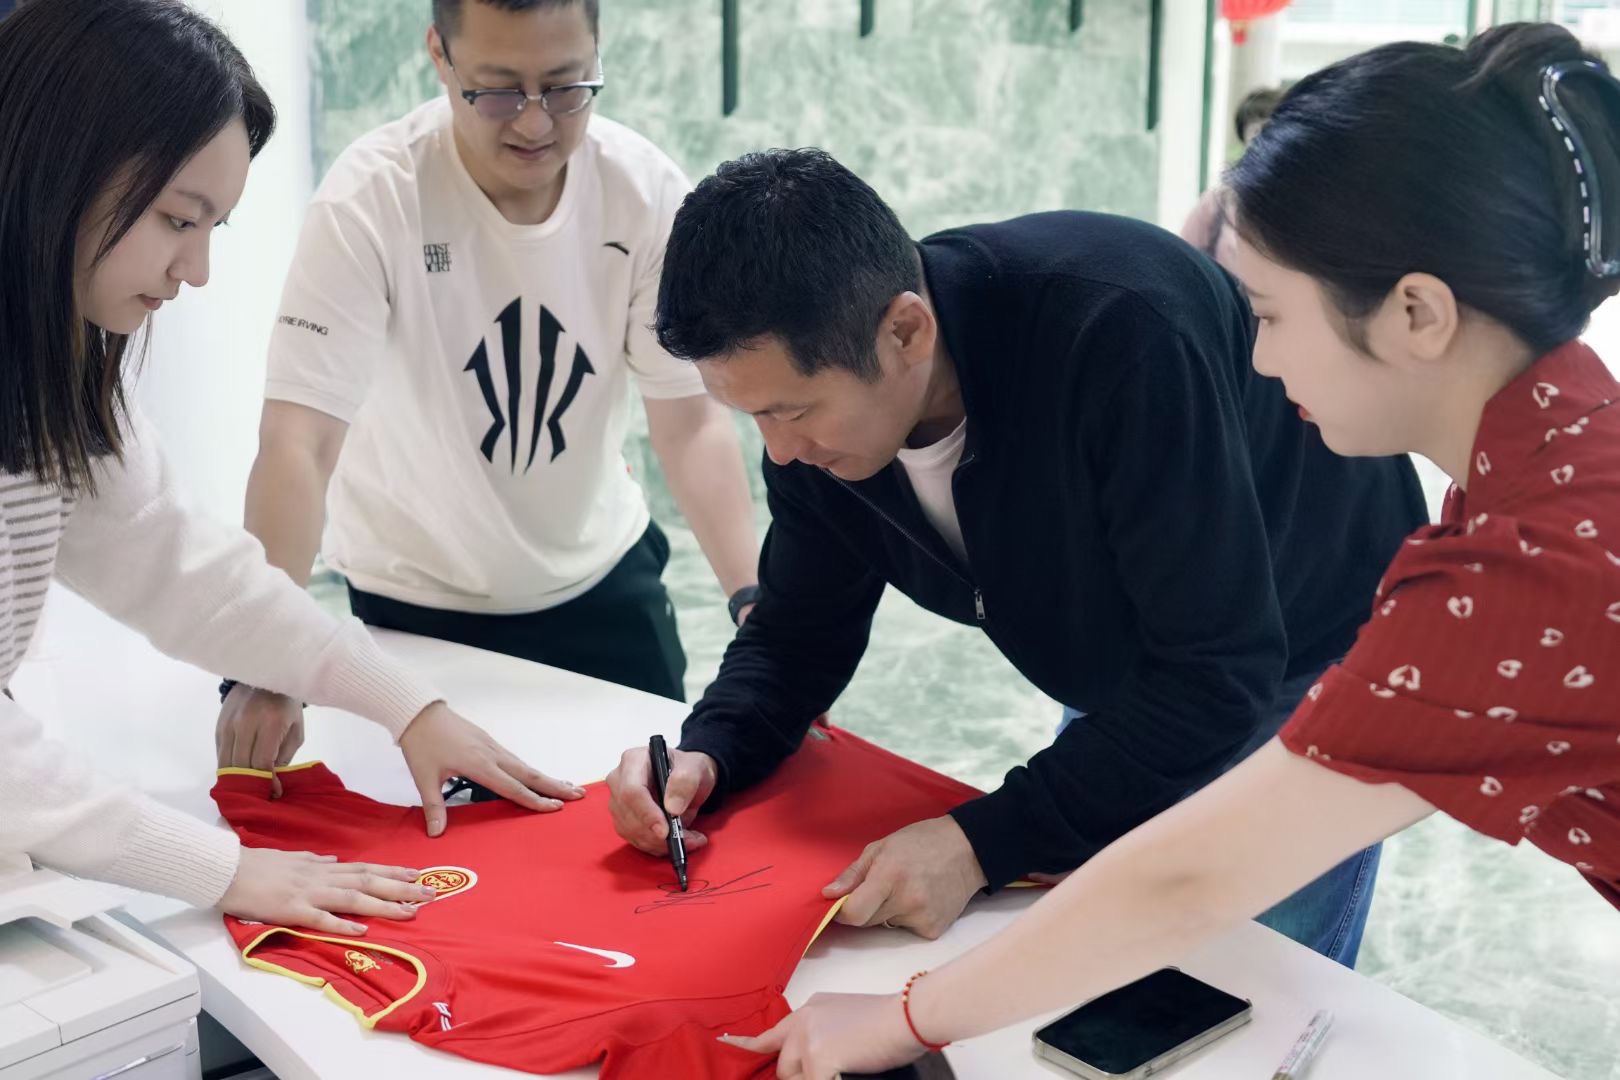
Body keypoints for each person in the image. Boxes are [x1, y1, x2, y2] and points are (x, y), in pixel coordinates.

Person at [722, 23, 1620, 1077]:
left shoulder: (1521, 567)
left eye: (1266, 314)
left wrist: (901, 1018)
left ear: (1417, 313)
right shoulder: (1556, 449)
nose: (1258, 361)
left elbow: (1195, 877)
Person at [603, 145, 1429, 966]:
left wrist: (978, 843)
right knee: (1106, 944)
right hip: (1152, 656)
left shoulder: (1121, 332)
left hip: (1314, 638)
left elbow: (1216, 675)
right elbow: (797, 630)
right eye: (752, 417)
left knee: (1256, 978)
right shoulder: (824, 426)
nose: (779, 453)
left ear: (905, 330)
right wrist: (711, 749)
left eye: (791, 412)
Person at [0, 0, 578, 936]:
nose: (195, 271)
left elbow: (186, 572)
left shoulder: (54, 372)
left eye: (213, 228)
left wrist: (406, 705)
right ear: (61, 167)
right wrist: (225, 870)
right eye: (177, 219)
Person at [216, 0, 759, 777]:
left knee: (664, 815)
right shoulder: (373, 197)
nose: (535, 123)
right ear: (439, 55)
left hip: (602, 581)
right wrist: (267, 662)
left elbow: (691, 424)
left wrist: (755, 605)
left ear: (597, 49)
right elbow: (299, 443)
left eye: (565, 87)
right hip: (415, 603)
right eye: (499, 91)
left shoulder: (641, 193)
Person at [1180, 85, 1285, 256]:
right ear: (1244, 138)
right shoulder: (1219, 201)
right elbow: (1185, 256)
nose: (1265, 140)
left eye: (1271, 130)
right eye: (1256, 132)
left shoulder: (1303, 202)